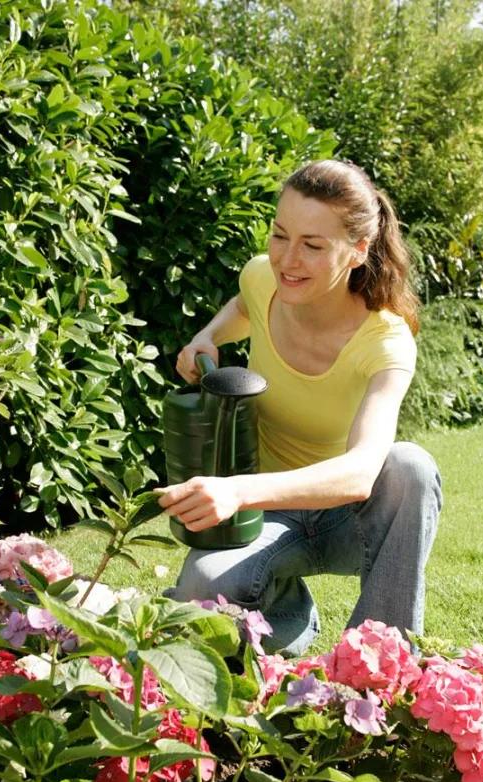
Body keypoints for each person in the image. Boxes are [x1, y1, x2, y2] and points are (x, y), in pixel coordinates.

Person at [157, 159, 443, 657]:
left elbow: (360, 473)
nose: (288, 260)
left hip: (347, 520)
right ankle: (288, 611)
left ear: (357, 251)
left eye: (312, 245)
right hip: (266, 515)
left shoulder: (386, 341)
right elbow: (244, 305)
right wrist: (208, 336)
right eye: (280, 235)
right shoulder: (264, 278)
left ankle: (380, 660)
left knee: (409, 467)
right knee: (201, 589)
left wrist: (236, 490)